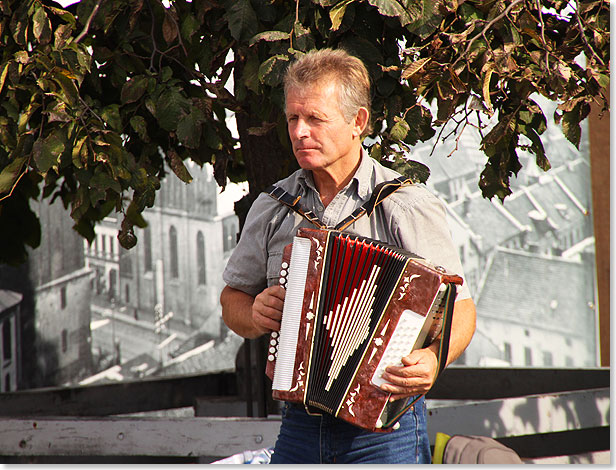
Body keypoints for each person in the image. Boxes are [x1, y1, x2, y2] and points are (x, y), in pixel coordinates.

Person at [220, 48, 476, 464]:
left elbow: (460, 310)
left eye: (315, 119)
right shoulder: (272, 206)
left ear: (358, 122)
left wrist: (433, 360)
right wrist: (253, 314)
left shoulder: (404, 205)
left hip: (385, 427)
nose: (300, 131)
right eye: (292, 118)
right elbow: (232, 299)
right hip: (299, 423)